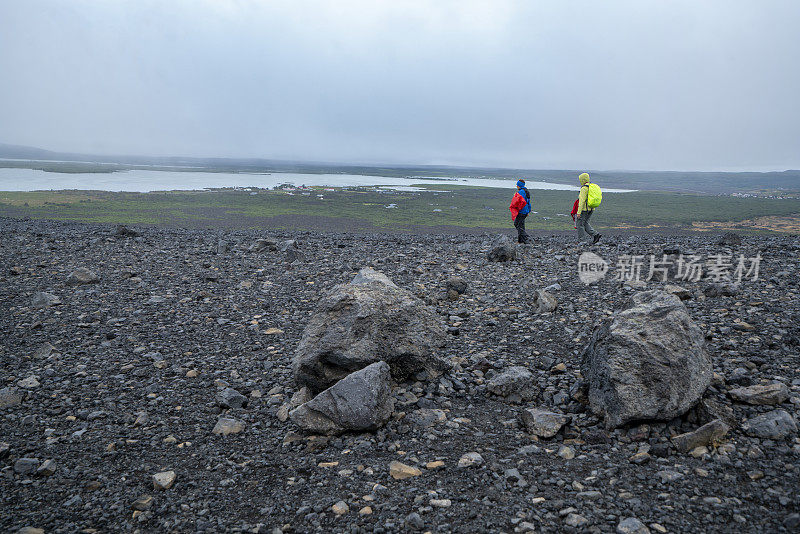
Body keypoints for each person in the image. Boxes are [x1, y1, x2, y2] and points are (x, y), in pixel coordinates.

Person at [576, 172, 601, 244]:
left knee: (580, 224)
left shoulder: (584, 188)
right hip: (592, 208)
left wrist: (579, 212)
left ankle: (582, 240)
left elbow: (582, 201)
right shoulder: (591, 187)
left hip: (584, 209)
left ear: (582, 180)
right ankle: (596, 235)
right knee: (585, 223)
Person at [509, 179, 532, 244]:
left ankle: (525, 238)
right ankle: (521, 241)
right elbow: (528, 202)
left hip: (522, 211)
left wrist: (515, 196)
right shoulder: (526, 191)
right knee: (521, 225)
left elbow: (518, 202)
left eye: (517, 185)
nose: (516, 186)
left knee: (517, 224)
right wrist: (528, 211)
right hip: (525, 211)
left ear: (519, 185)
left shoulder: (521, 192)